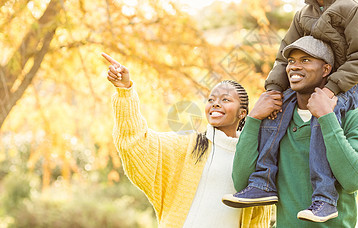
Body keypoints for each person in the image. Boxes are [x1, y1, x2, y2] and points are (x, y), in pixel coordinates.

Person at [222, 0, 358, 222]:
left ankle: (325, 199)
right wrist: (273, 90)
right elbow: (285, 57)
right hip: (316, 82)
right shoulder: (302, 14)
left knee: (323, 117)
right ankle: (262, 182)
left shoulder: (351, 9)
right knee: (277, 109)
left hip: (347, 82)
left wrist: (331, 91)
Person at [102, 52, 271, 228]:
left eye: (225, 99)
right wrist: (125, 91)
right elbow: (136, 143)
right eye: (211, 99)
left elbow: (259, 220)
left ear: (242, 113)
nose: (215, 103)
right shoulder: (188, 144)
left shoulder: (254, 157)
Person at [223, 37, 358, 227]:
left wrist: (327, 117)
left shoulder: (356, 119)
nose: (294, 67)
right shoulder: (273, 121)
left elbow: (353, 180)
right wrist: (253, 119)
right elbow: (242, 182)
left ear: (326, 70)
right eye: (291, 61)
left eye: (305, 60)